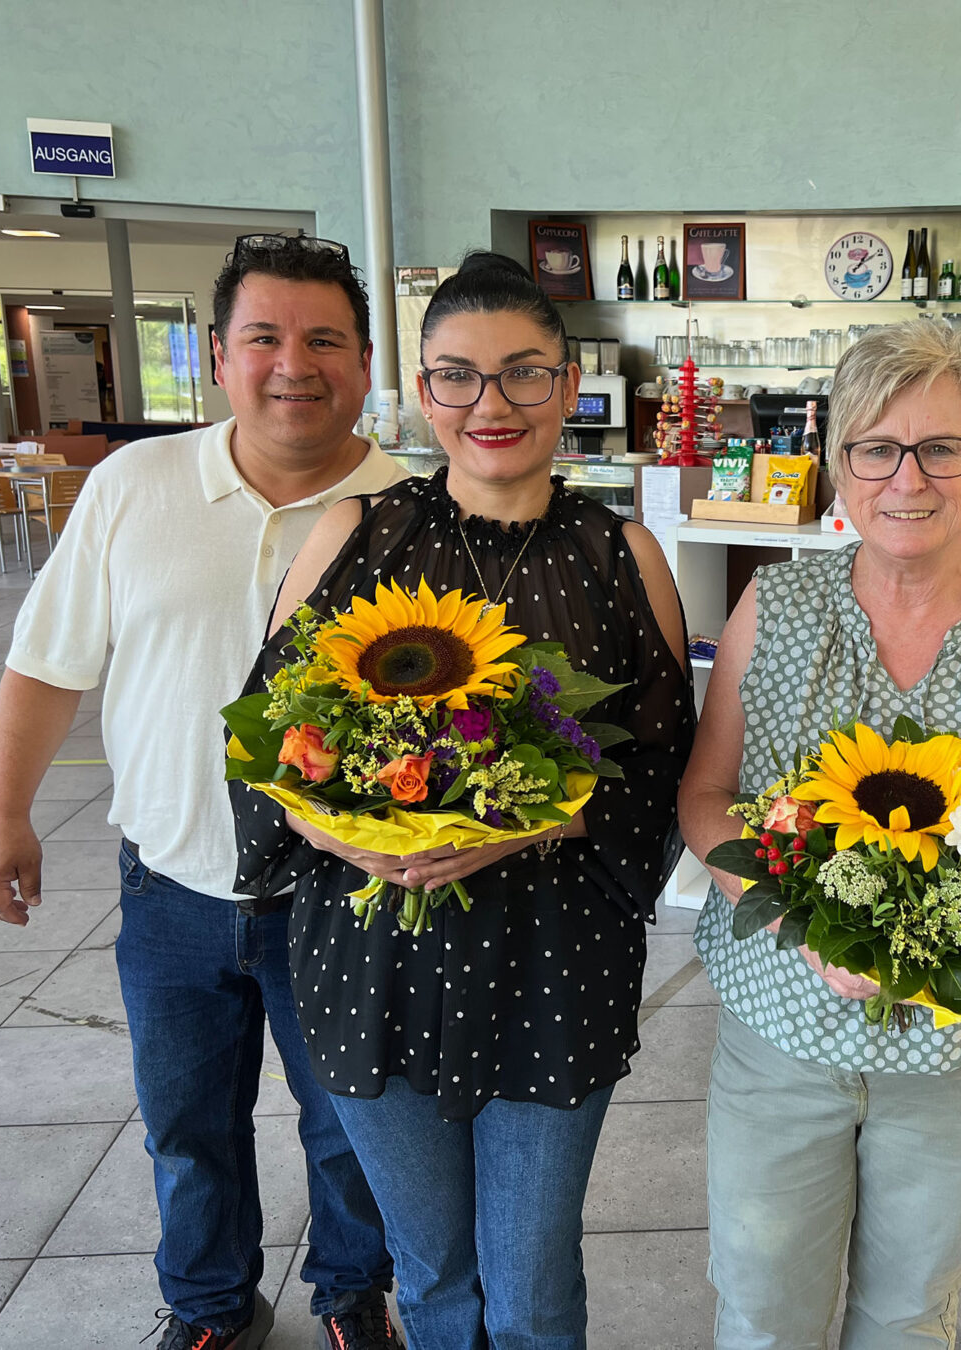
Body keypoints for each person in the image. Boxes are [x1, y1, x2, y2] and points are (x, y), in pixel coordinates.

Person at [230, 250, 695, 1350]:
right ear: (420, 389)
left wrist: (529, 821)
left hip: (553, 965)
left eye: (524, 374)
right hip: (373, 963)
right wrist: (338, 825)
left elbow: (670, 771)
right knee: (433, 1279)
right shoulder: (352, 538)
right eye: (458, 376)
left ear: (570, 385)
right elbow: (263, 746)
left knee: (531, 1291)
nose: (491, 405)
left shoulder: (621, 556)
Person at [0, 233, 407, 1350]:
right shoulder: (137, 486)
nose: (291, 364)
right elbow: (47, 661)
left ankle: (352, 1295)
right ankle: (212, 1305)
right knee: (186, 1122)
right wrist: (1, 813)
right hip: (171, 885)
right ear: (219, 355)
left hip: (347, 897)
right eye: (263, 336)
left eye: (323, 340)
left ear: (365, 362)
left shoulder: (415, 510)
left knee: (353, 1123)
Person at [680, 320, 961, 1349]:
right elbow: (706, 800)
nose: (906, 478)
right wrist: (806, 921)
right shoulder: (776, 604)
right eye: (875, 448)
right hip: (782, 1030)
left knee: (911, 1314)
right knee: (762, 1307)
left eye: (941, 448)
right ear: (840, 466)